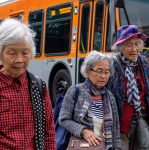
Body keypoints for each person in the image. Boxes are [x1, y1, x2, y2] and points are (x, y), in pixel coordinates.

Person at [0, 18, 56, 150]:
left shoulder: (38, 86)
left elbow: (48, 131)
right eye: (12, 53)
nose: (19, 60)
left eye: (25, 53)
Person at [59, 51, 121, 150]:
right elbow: (63, 119)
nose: (103, 76)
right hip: (82, 146)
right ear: (88, 71)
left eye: (107, 72)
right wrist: (83, 131)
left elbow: (116, 129)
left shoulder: (110, 96)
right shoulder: (75, 91)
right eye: (99, 71)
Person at [108, 25, 149, 150]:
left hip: (142, 120)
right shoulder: (112, 65)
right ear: (120, 48)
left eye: (137, 44)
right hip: (121, 123)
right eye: (128, 45)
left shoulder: (144, 63)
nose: (134, 49)